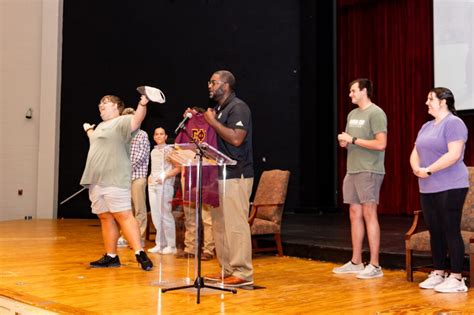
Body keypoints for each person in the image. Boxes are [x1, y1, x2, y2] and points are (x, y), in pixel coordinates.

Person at [80, 94, 153, 271]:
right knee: (105, 217)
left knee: (124, 215)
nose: (100, 105)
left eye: (105, 102)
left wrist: (142, 103)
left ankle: (140, 253)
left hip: (114, 178)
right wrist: (89, 130)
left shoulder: (122, 121)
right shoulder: (101, 127)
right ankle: (111, 256)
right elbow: (94, 141)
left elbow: (137, 119)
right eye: (99, 103)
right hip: (96, 180)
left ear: (116, 107)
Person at [197, 70, 254, 287]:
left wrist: (212, 122)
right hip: (218, 174)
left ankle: (243, 272)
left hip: (236, 174)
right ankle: (227, 269)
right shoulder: (220, 110)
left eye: (213, 82)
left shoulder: (238, 107)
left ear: (226, 86)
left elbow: (237, 139)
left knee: (235, 224)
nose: (209, 85)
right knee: (220, 225)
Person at [410, 87, 469, 293]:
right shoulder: (426, 126)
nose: (426, 102)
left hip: (451, 185)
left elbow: (454, 154)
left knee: (450, 229)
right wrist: (416, 168)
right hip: (427, 186)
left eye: (430, 99)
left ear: (443, 101)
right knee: (435, 230)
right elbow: (415, 152)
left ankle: (456, 277)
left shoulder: (454, 123)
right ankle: (438, 272)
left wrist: (429, 170)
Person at [333, 78, 387, 279]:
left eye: (353, 91)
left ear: (364, 91)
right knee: (354, 213)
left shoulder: (376, 113)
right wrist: (345, 142)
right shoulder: (352, 114)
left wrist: (353, 139)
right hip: (353, 169)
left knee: (369, 213)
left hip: (370, 170)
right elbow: (351, 139)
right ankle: (356, 261)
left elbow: (381, 144)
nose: (350, 95)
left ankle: (375, 265)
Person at [175, 107, 218, 261]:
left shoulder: (211, 121)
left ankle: (208, 249)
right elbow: (178, 146)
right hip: (189, 174)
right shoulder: (187, 123)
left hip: (207, 174)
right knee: (190, 214)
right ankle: (190, 247)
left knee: (207, 216)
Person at [117, 108, 150, 248]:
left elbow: (140, 157)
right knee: (126, 210)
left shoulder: (142, 135)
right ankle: (126, 236)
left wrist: (124, 168)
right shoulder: (121, 137)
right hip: (124, 179)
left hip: (137, 177)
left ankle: (139, 237)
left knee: (139, 209)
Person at [147, 127, 181, 254]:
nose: (159, 136)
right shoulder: (153, 151)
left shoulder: (170, 150)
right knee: (156, 215)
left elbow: (178, 168)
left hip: (165, 185)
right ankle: (160, 243)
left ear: (166, 136)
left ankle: (171, 246)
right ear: (154, 137)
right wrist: (150, 177)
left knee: (165, 214)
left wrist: (165, 176)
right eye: (156, 134)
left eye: (162, 134)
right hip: (153, 185)